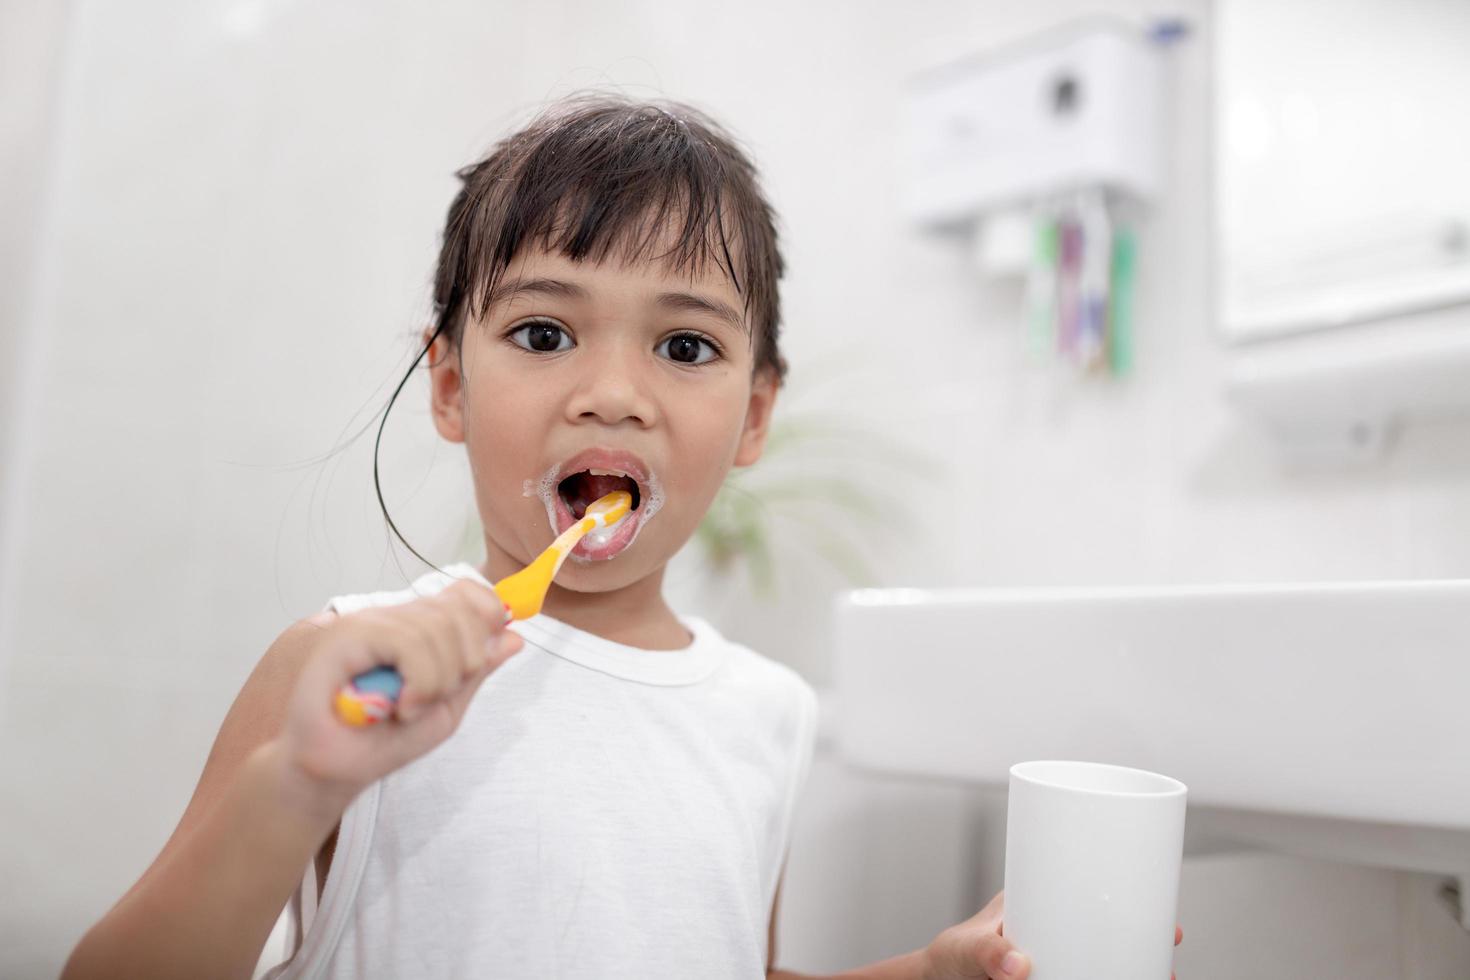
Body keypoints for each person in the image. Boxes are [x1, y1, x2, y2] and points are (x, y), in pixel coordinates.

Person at [63, 94, 1181, 980]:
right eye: (545, 331)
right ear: (449, 385)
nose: (612, 392)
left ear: (752, 416)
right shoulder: (349, 665)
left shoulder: (767, 715)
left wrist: (927, 973)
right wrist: (298, 785)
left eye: (685, 348)